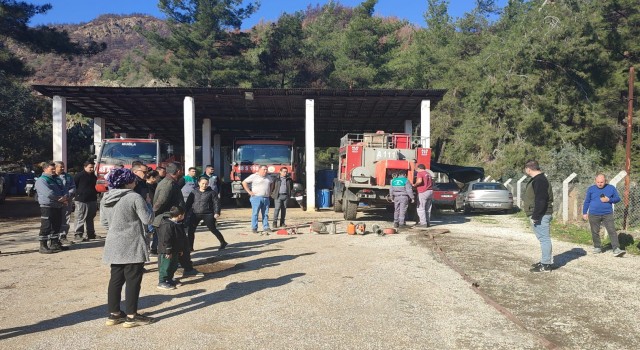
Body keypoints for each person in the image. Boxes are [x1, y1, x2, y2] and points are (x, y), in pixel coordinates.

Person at [100, 167, 154, 327]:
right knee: (133, 280)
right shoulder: (134, 197)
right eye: (133, 179)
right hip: (132, 243)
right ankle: (131, 316)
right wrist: (148, 205)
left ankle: (114, 313)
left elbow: (104, 223)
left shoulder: (105, 197)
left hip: (114, 242)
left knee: (116, 279)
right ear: (128, 181)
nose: (135, 181)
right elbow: (147, 219)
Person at [153, 163, 203, 277]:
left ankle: (188, 268)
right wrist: (156, 217)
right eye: (181, 170)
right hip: (167, 221)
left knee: (183, 245)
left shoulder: (171, 182)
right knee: (165, 249)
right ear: (178, 171)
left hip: (175, 220)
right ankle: (163, 277)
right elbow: (159, 203)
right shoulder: (168, 184)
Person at [582, 174, 626, 257]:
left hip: (607, 213)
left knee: (612, 231)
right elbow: (587, 201)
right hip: (593, 214)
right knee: (595, 231)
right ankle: (597, 247)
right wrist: (584, 213)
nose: (599, 184)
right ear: (595, 181)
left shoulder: (611, 188)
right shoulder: (591, 189)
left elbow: (617, 199)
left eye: (601, 182)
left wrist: (609, 199)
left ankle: (616, 249)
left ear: (605, 181)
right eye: (598, 182)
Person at [523, 160, 554, 273]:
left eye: (525, 169)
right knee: (543, 239)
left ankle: (546, 265)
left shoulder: (539, 180)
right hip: (541, 213)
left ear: (528, 169)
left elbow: (541, 199)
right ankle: (545, 261)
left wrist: (535, 216)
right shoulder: (538, 179)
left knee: (544, 239)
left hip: (541, 214)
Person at [35, 161, 69, 253]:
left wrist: (65, 197)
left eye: (54, 169)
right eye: (52, 169)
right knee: (46, 225)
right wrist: (60, 199)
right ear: (45, 169)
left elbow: (64, 189)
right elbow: (48, 193)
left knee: (56, 225)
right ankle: (43, 246)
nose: (54, 170)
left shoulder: (56, 179)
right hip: (47, 206)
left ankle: (54, 244)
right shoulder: (42, 180)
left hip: (57, 205)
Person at [186, 177, 227, 250]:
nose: (204, 185)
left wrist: (217, 212)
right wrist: (185, 212)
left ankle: (223, 242)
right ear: (199, 183)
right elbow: (188, 203)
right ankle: (190, 247)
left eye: (206, 184)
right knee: (191, 230)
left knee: (213, 229)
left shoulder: (212, 192)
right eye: (203, 183)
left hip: (208, 213)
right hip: (195, 213)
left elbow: (216, 203)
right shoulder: (193, 192)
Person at [156, 206, 188, 290]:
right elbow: (166, 239)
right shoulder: (167, 225)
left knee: (173, 265)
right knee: (165, 266)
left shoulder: (178, 224)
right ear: (180, 215)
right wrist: (168, 251)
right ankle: (162, 281)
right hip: (166, 251)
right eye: (183, 215)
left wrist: (180, 249)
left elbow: (180, 238)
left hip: (175, 250)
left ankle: (169, 279)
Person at [242, 165, 273, 233]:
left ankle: (266, 227)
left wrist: (270, 192)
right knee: (255, 213)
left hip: (266, 198)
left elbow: (271, 183)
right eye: (264, 169)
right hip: (256, 198)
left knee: (265, 213)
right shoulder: (254, 176)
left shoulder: (268, 177)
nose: (266, 171)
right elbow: (244, 182)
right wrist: (249, 192)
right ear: (259, 170)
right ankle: (254, 228)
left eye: (266, 169)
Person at [73, 161, 98, 242]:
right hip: (81, 200)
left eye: (93, 167)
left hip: (92, 199)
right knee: (80, 217)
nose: (92, 169)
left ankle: (91, 234)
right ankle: (78, 234)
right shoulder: (79, 176)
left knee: (90, 217)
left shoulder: (93, 176)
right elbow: (74, 186)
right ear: (85, 167)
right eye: (90, 167)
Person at [54, 161, 76, 245]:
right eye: (61, 167)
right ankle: (54, 237)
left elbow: (73, 187)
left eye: (63, 166)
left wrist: (66, 196)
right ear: (55, 167)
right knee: (55, 219)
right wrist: (59, 198)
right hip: (55, 202)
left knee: (66, 218)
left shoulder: (68, 177)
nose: (63, 168)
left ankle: (63, 236)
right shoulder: (52, 177)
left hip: (67, 201)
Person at [414, 164, 433, 228]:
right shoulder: (428, 174)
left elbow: (419, 181)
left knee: (420, 208)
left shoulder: (420, 173)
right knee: (428, 209)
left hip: (423, 191)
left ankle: (423, 223)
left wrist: (415, 185)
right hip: (430, 191)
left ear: (419, 168)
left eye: (417, 169)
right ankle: (428, 222)